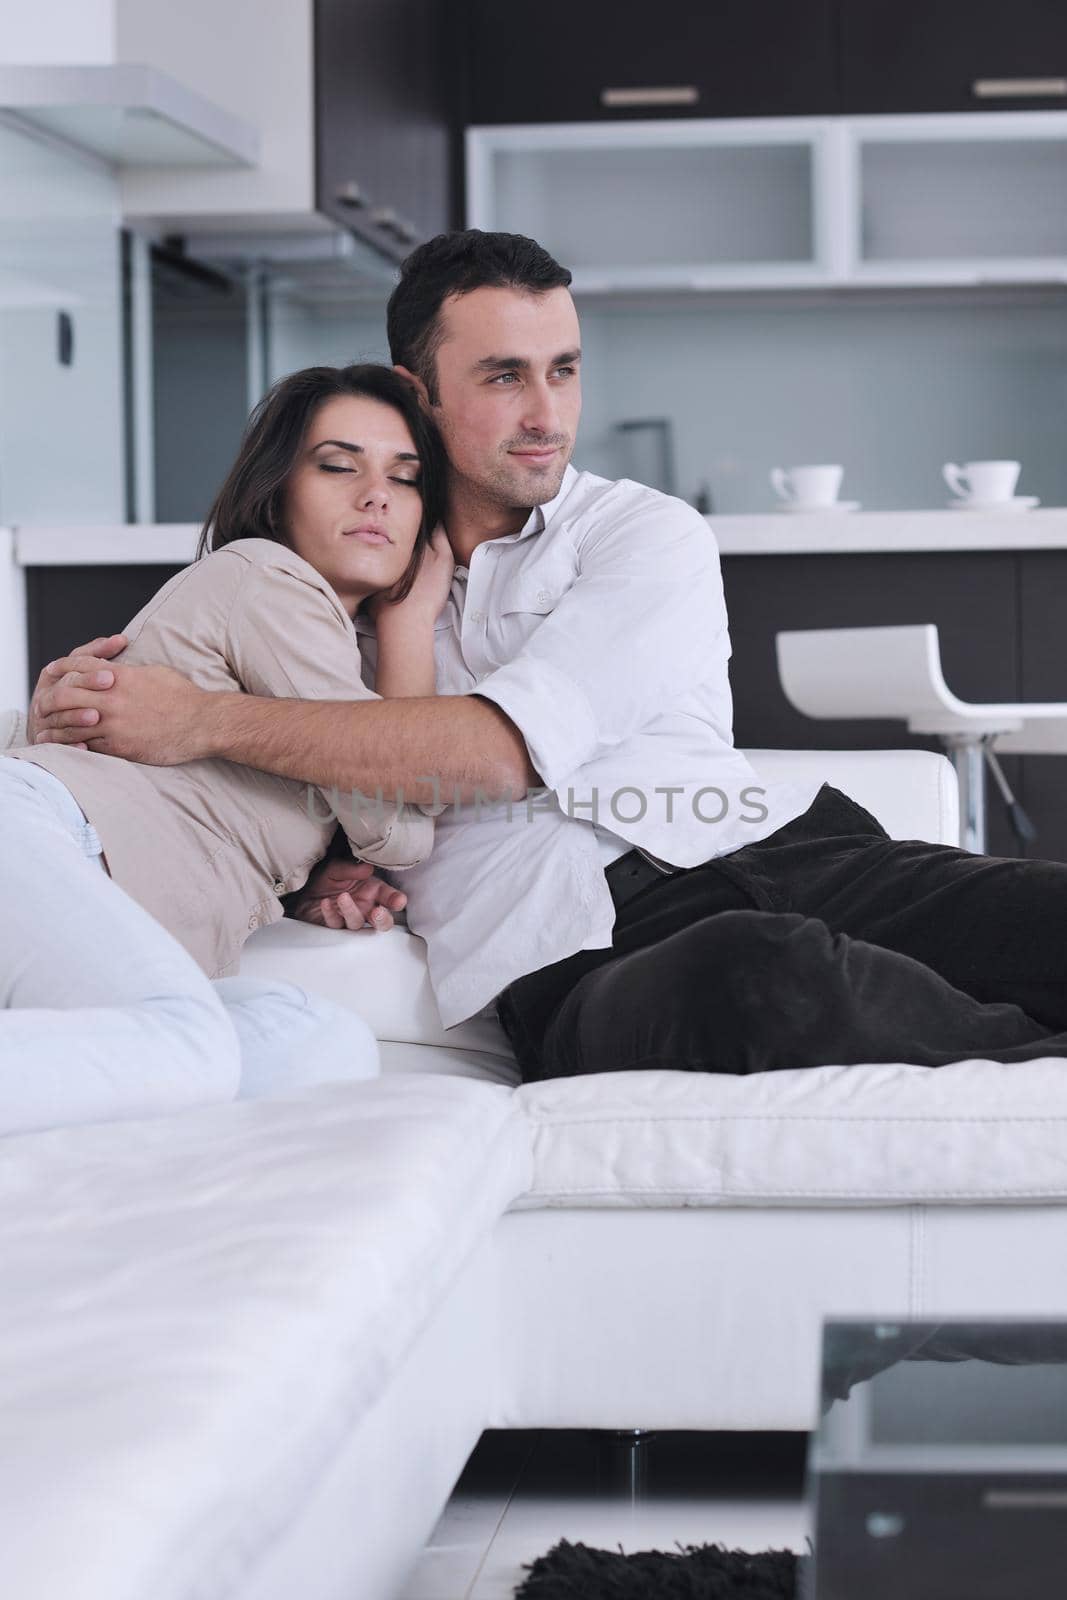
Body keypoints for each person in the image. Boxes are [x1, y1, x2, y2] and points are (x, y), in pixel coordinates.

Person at [25, 230, 1067, 1083]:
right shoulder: (327, 590)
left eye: (562, 371)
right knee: (766, 976)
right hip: (571, 957)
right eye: (503, 376)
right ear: (415, 388)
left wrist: (210, 721)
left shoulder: (636, 533)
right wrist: (312, 856)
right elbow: (191, 761)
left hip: (785, 854)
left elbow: (499, 752)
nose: (546, 416)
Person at [0, 362, 451, 1133]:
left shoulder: (325, 658)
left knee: (320, 1044)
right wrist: (411, 623)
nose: (376, 493)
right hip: (44, 835)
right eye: (339, 465)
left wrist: (311, 875)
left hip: (80, 881)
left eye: (404, 478)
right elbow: (400, 822)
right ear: (277, 492)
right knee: (192, 1046)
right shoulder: (268, 578)